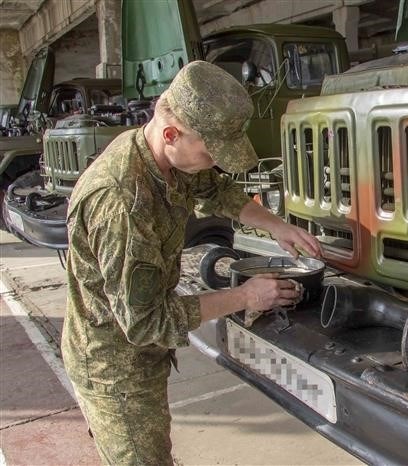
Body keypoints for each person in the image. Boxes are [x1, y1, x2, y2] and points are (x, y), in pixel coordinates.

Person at [61, 60, 321, 465]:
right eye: (211, 151)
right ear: (172, 134)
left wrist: (277, 226)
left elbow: (214, 190)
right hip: (115, 368)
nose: (216, 162)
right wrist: (247, 296)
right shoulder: (121, 204)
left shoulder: (163, 155)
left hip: (140, 355)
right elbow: (146, 322)